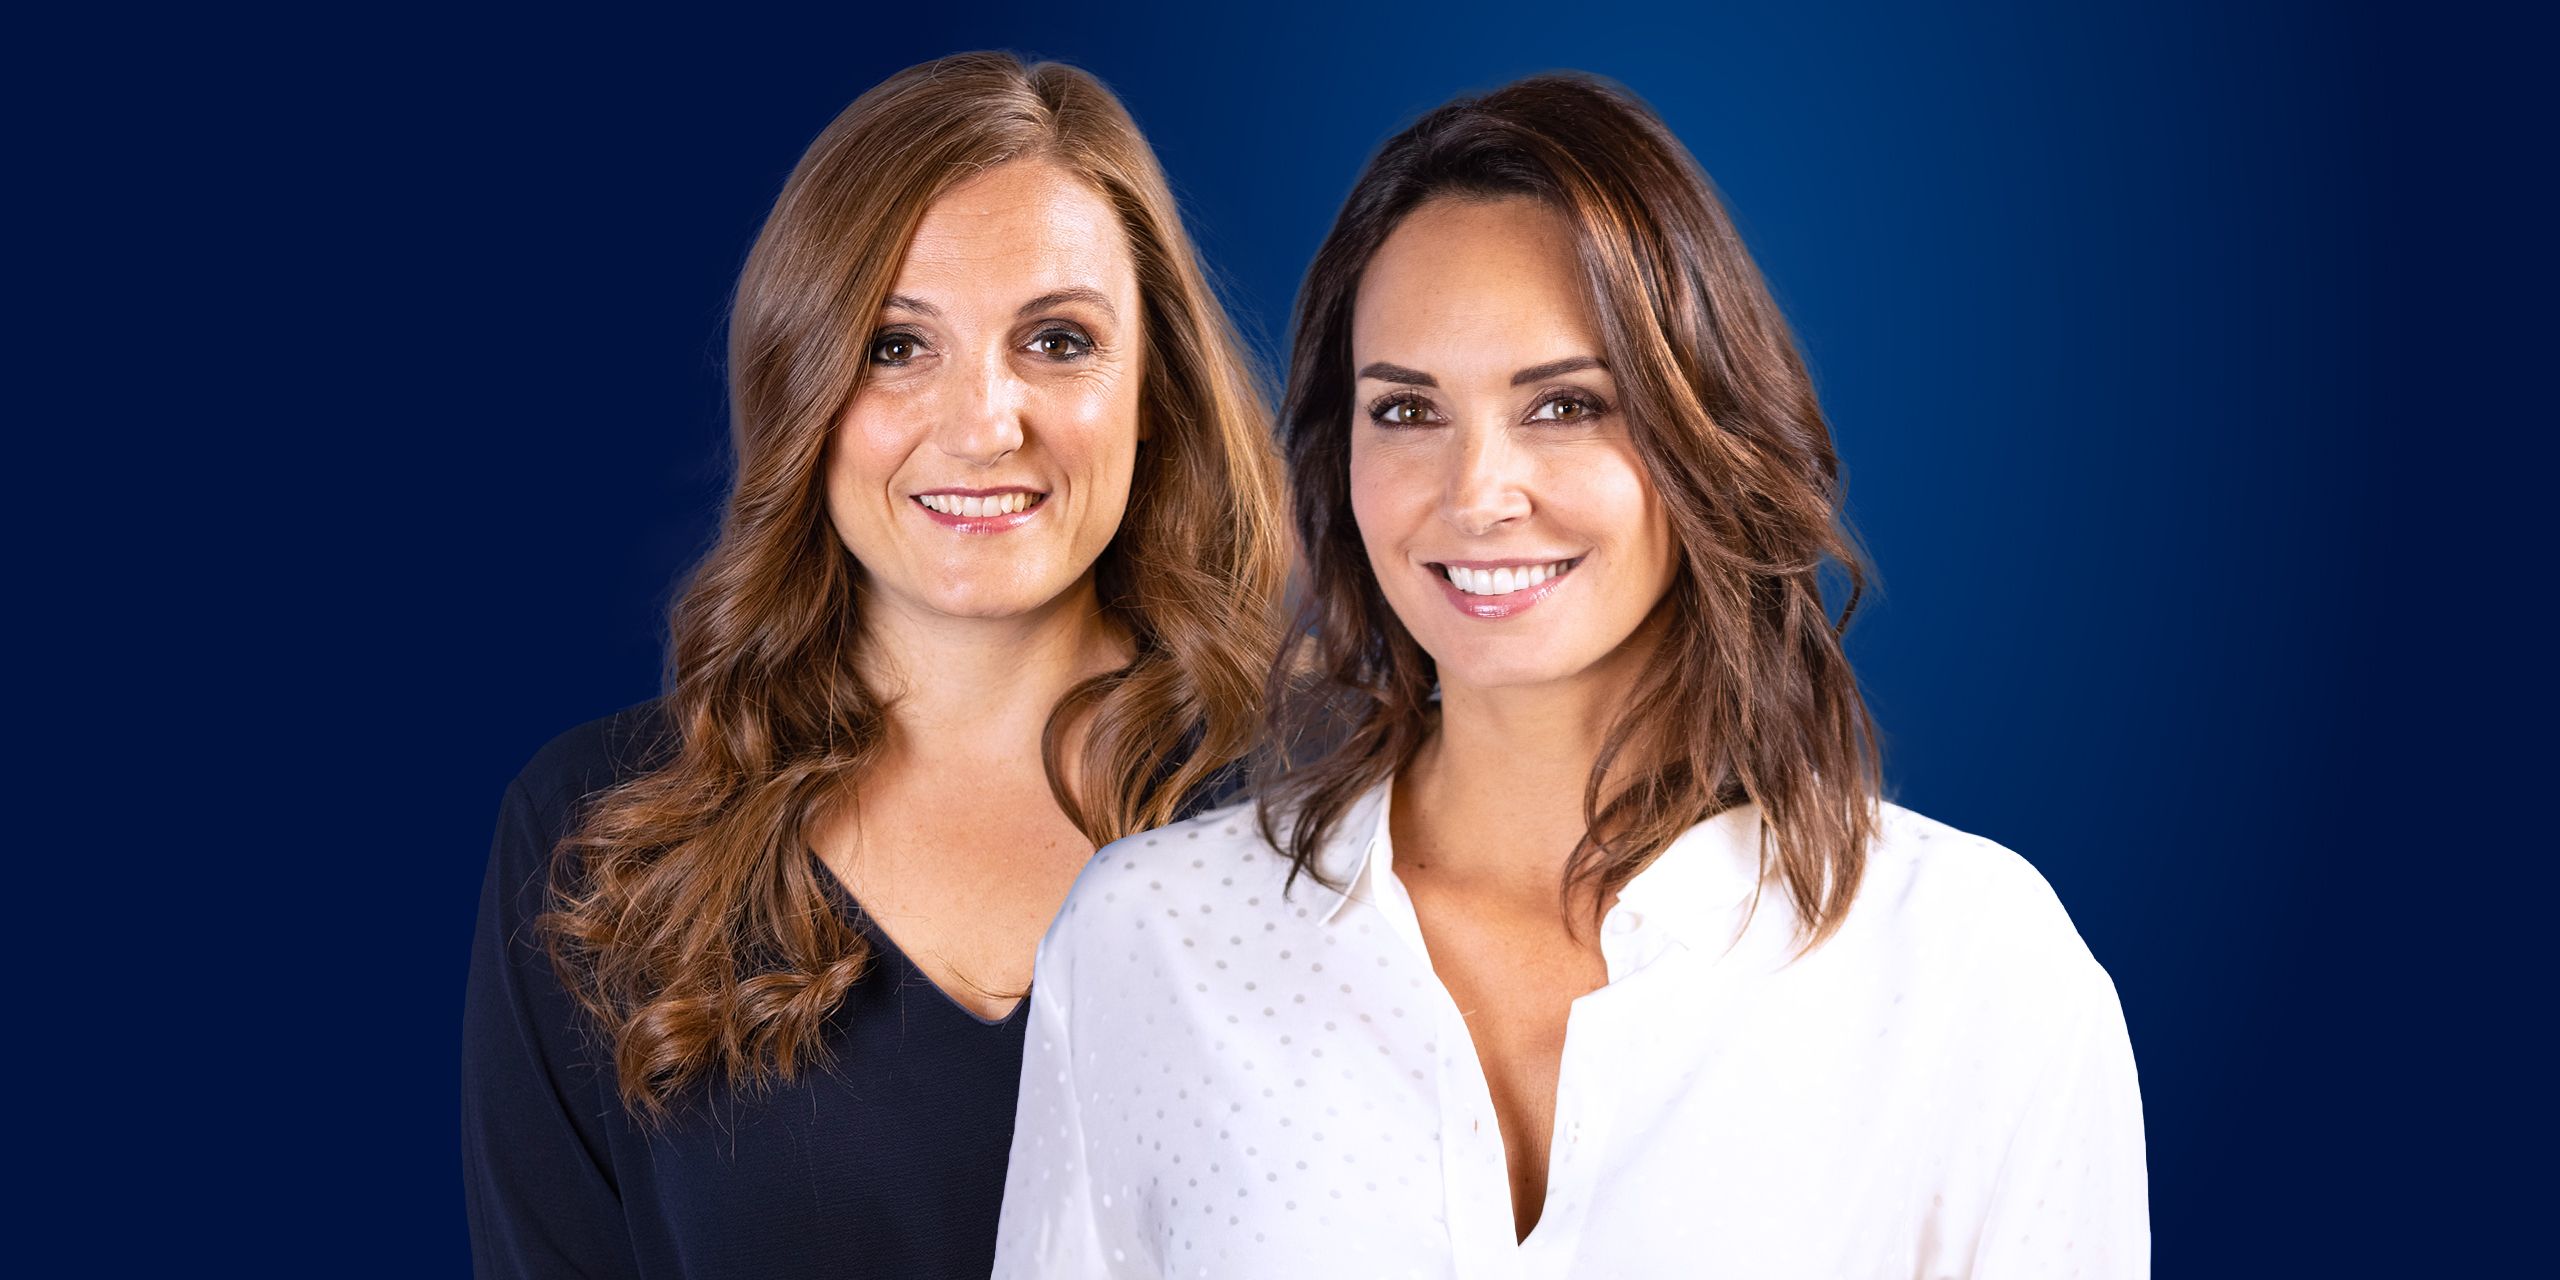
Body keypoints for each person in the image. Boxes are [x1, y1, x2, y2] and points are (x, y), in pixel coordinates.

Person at [993, 74, 2146, 1277]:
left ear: (1704, 430)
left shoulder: (1973, 968)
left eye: (1562, 404)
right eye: (1406, 411)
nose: (1477, 492)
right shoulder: (1150, 943)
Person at [462, 51, 1286, 1279]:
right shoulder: (592, 841)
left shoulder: (1340, 809)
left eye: (1057, 339)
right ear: (802, 385)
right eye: (897, 346)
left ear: (1153, 388)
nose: (983, 423)